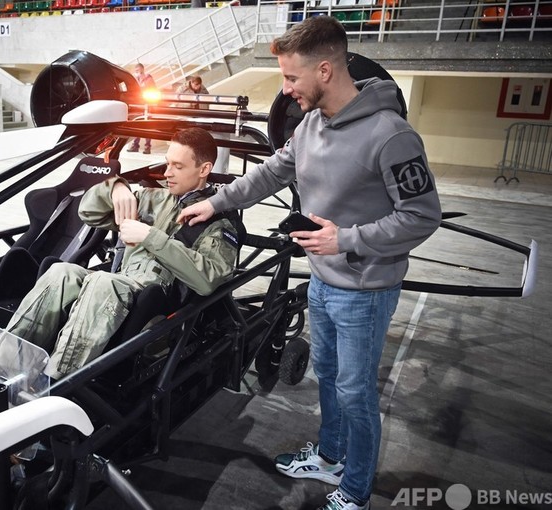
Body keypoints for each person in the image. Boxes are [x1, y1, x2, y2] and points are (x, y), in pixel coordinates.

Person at [175, 16, 441, 510]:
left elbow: (422, 216)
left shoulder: (391, 135)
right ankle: (330, 456)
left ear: (324, 70)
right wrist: (215, 202)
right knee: (331, 379)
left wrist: (347, 239)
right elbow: (271, 172)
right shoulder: (311, 125)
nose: (285, 89)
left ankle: (356, 491)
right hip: (322, 281)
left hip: (365, 290)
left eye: (291, 77)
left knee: (356, 394)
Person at [0, 127, 241, 427]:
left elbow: (207, 279)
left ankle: (47, 400)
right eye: (167, 163)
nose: (166, 172)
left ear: (204, 170)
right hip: (121, 289)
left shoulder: (219, 225)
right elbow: (89, 211)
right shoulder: (153, 199)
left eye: (177, 166)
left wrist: (149, 236)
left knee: (102, 281)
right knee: (61, 272)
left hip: (156, 309)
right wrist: (115, 187)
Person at [127, 63, 157, 154]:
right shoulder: (135, 79)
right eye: (136, 70)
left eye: (138, 70)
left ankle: (147, 147)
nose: (137, 72)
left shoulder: (148, 79)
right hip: (138, 105)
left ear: (142, 69)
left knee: (147, 126)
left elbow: (153, 90)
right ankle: (135, 146)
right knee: (137, 125)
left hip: (147, 104)